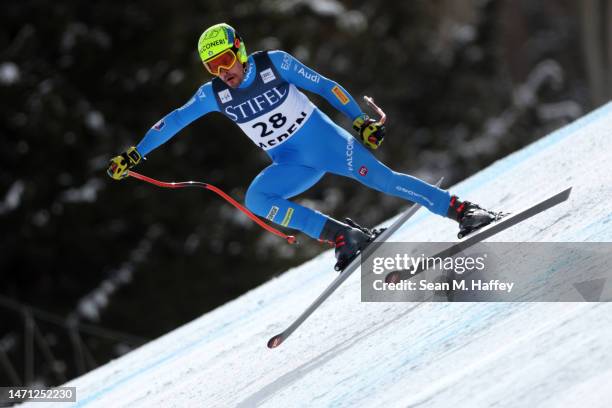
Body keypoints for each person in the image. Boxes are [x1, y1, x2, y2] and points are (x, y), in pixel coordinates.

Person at [107, 23, 500, 270]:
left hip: (327, 143)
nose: (223, 71)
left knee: (383, 180)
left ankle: (462, 210)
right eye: (213, 67)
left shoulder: (273, 64)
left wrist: (359, 122)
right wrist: (137, 153)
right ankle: (343, 237)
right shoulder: (214, 95)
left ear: (240, 50)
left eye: (226, 59)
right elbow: (174, 119)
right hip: (291, 162)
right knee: (258, 199)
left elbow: (325, 86)